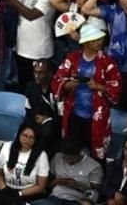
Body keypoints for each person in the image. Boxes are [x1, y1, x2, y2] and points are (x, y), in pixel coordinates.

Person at [51, 23, 122, 161]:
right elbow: (57, 80)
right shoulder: (72, 58)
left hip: (97, 116)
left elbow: (116, 87)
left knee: (97, 156)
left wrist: (98, 87)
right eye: (95, 40)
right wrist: (68, 85)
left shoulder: (107, 62)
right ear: (86, 43)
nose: (99, 42)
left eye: (100, 39)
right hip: (74, 115)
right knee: (72, 152)